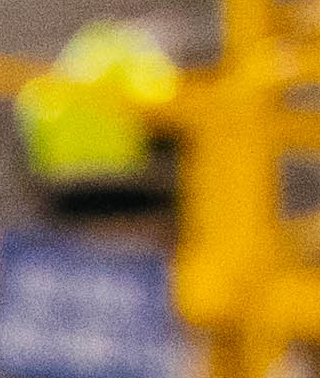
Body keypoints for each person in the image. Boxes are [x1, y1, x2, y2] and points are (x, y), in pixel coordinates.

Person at [12, 14, 190, 231]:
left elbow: (28, 130)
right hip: (125, 186)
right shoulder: (137, 61)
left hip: (60, 194)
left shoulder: (70, 67)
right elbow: (168, 114)